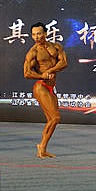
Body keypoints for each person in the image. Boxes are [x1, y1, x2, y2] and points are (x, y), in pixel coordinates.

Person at [24, 22, 68, 158]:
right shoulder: (33, 52)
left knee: (51, 119)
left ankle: (42, 149)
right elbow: (27, 73)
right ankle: (41, 146)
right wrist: (42, 75)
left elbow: (64, 62)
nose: (36, 37)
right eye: (33, 35)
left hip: (51, 87)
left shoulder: (56, 46)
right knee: (55, 117)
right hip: (41, 86)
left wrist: (51, 70)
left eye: (39, 34)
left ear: (45, 33)